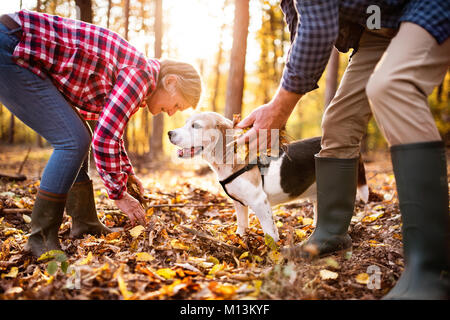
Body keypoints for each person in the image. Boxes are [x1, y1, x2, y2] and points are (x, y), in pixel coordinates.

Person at [236, 0, 449, 299]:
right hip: (378, 28)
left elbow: (318, 30)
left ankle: (432, 268)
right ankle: (332, 233)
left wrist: (280, 108)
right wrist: (276, 105)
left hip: (425, 6)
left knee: (392, 86)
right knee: (338, 121)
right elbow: (303, 34)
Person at [0, 10, 202, 258]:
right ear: (170, 82)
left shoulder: (138, 74)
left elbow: (111, 131)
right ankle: (40, 239)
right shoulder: (140, 75)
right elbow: (104, 138)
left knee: (78, 134)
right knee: (73, 141)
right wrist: (119, 195)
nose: (171, 113)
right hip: (13, 44)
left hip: (15, 40)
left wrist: (127, 174)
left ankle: (84, 221)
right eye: (178, 105)